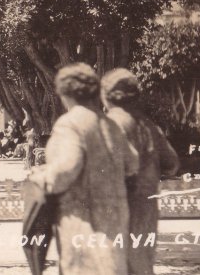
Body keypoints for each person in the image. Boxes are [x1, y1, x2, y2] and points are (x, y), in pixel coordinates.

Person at [29, 63, 139, 275]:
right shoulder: (110, 125)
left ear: (65, 94)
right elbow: (132, 163)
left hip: (83, 224)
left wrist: (42, 176)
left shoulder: (69, 124)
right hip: (115, 222)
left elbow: (66, 170)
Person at [101, 68, 180, 275]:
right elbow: (172, 163)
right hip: (146, 208)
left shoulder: (108, 124)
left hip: (116, 208)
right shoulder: (150, 126)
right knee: (142, 265)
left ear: (107, 96)